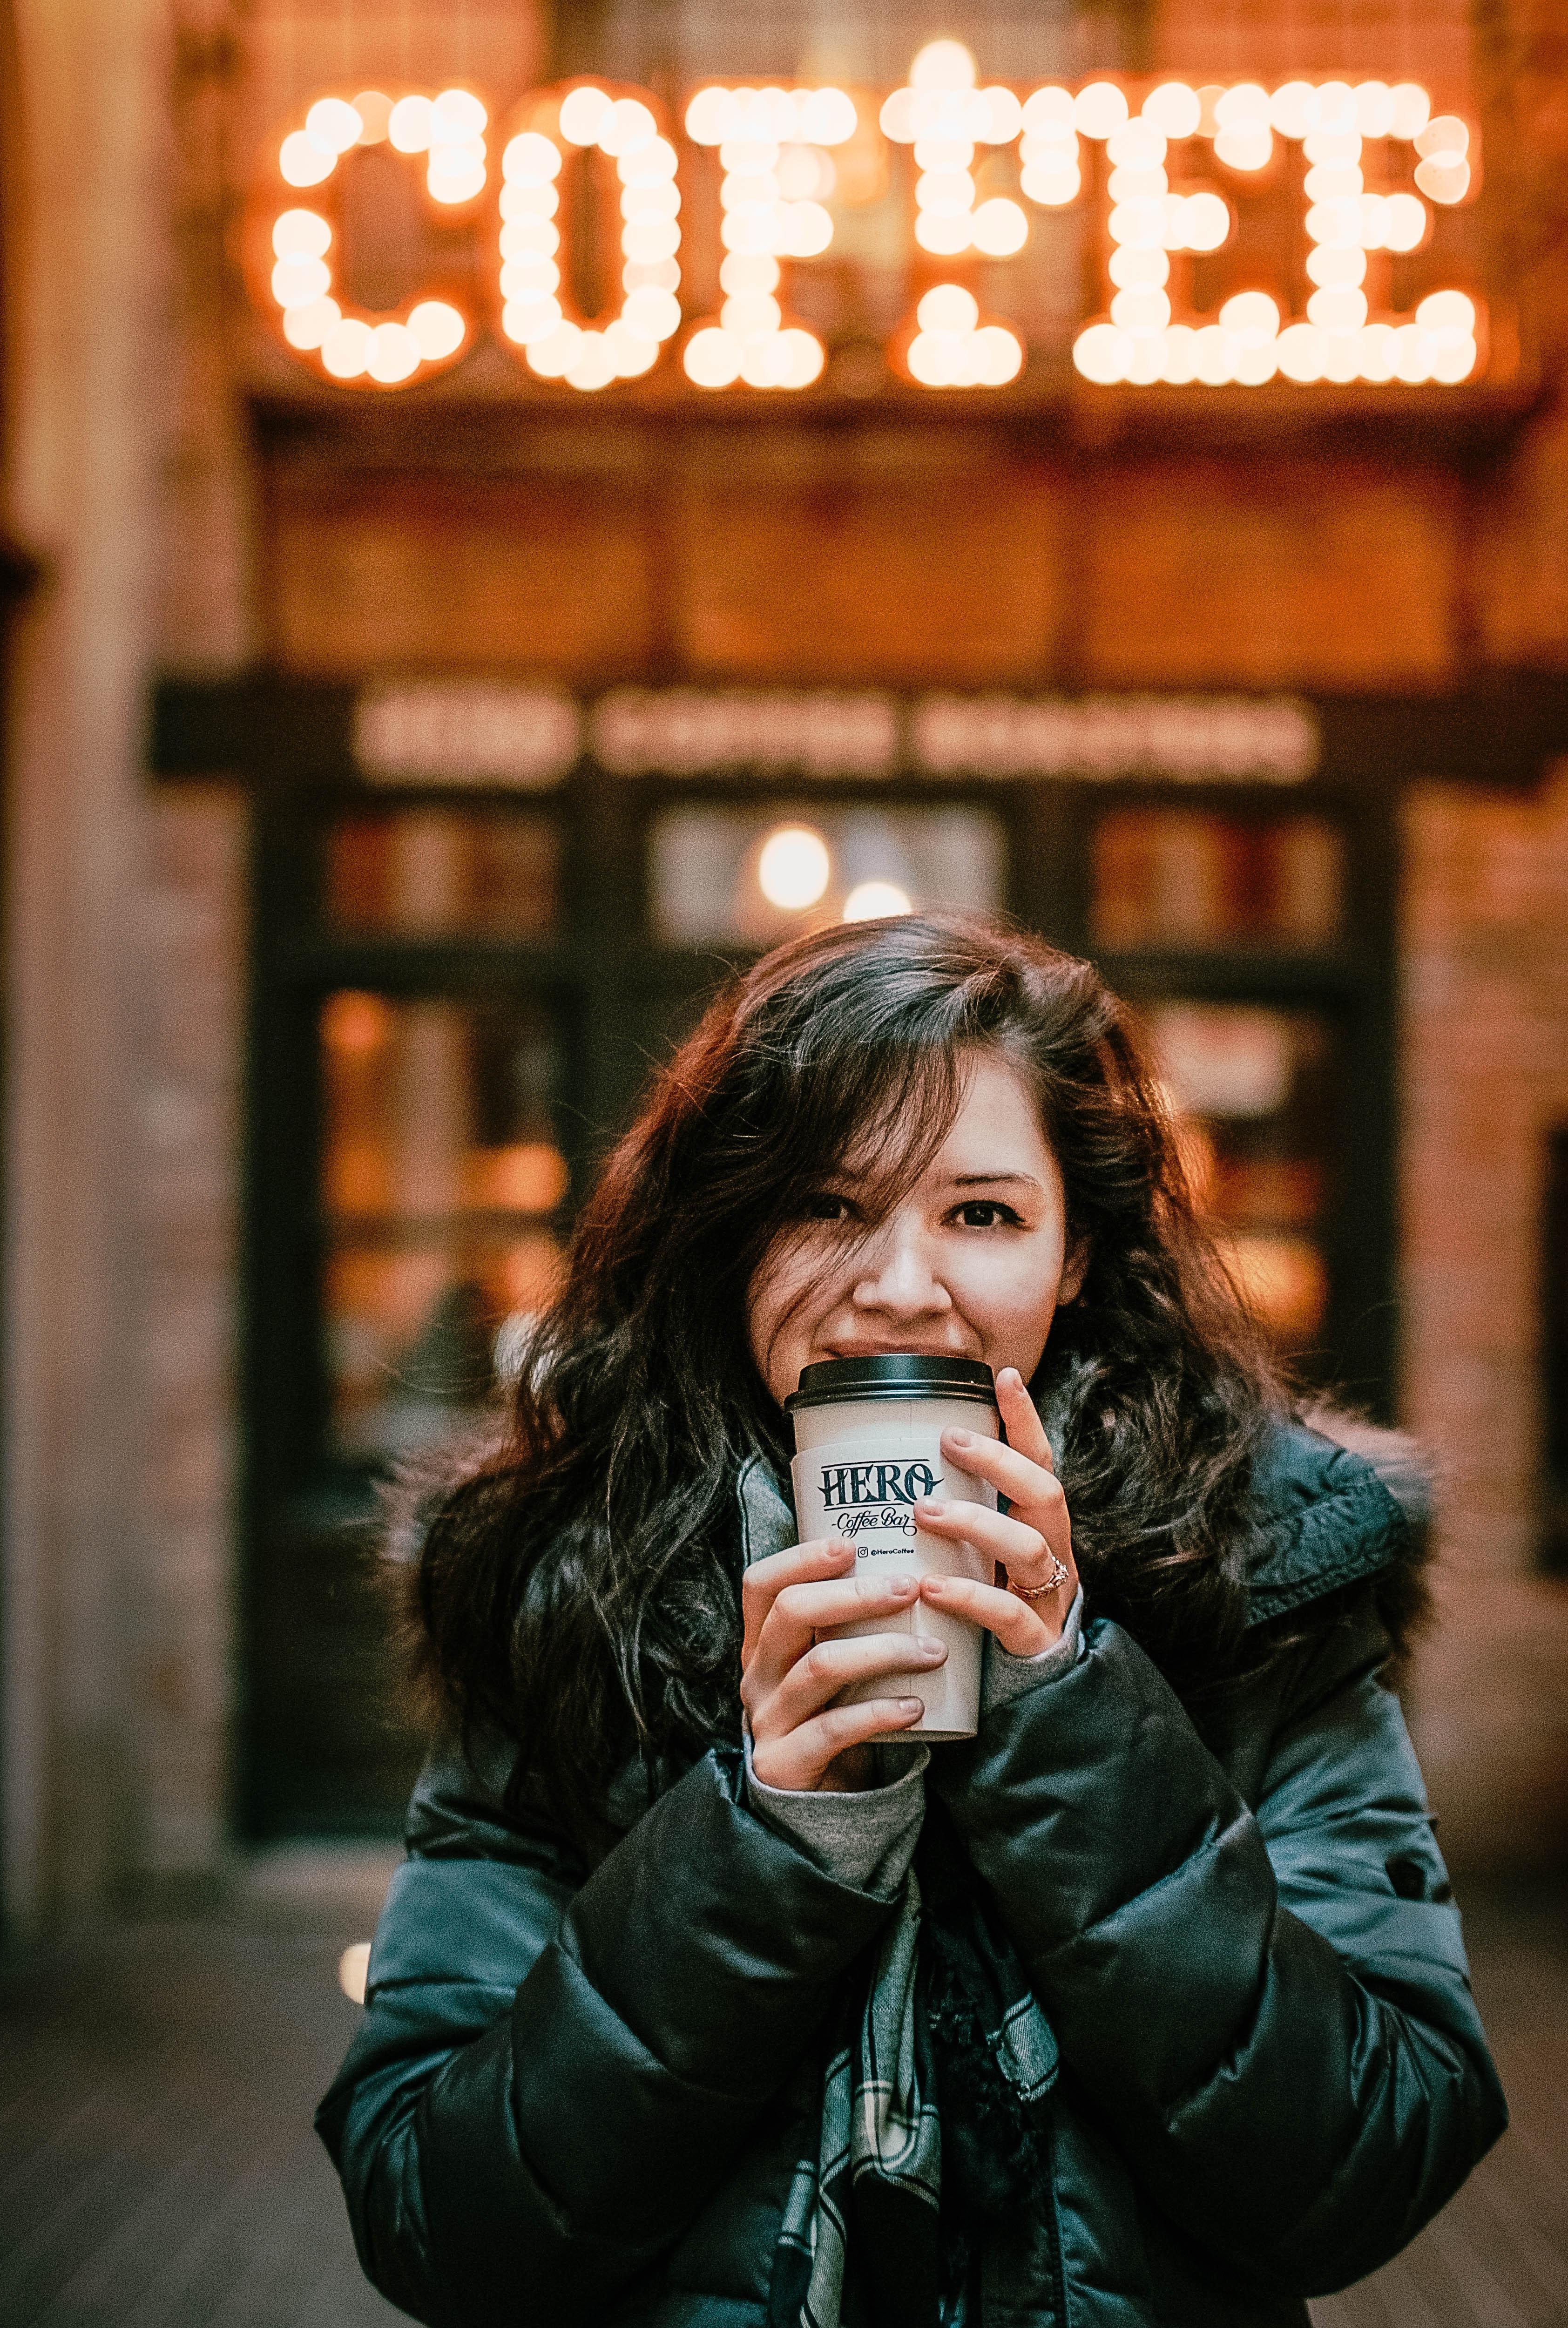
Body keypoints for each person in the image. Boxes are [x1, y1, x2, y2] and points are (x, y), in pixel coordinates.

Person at [318, 912, 1506, 2328]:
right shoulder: (567, 1588)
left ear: (1073, 1258)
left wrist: (1066, 1709)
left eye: (983, 1213)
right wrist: (766, 1832)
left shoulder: (1261, 1575)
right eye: (825, 1204)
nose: (896, 1286)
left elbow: (1368, 2161)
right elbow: (437, 2218)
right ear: (732, 1238)